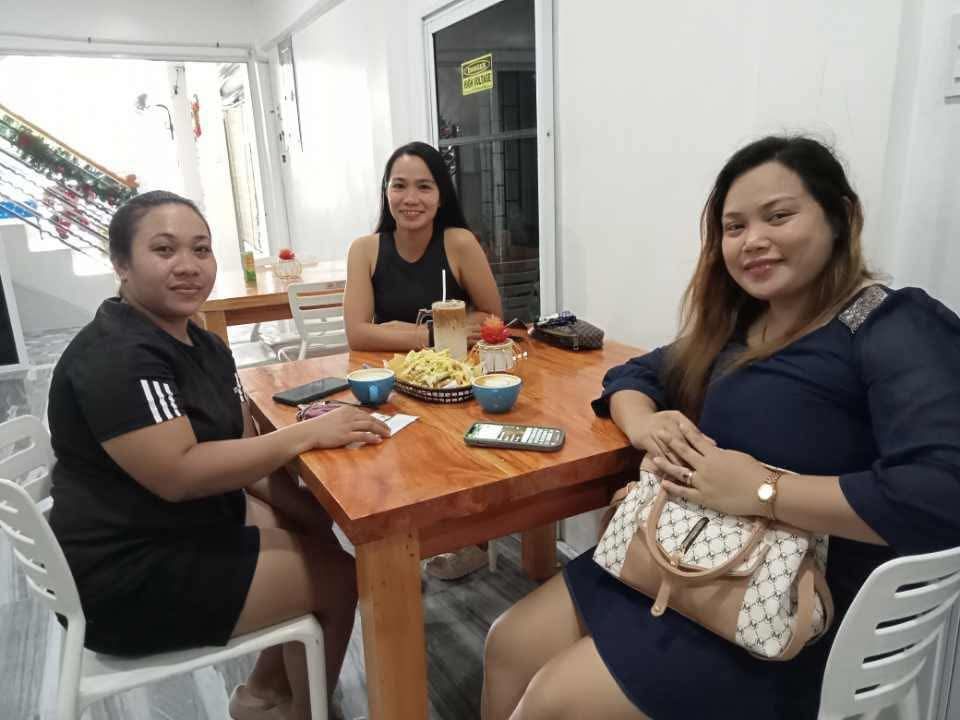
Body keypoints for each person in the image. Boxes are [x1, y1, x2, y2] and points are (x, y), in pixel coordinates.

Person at [481, 136, 960, 719]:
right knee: (506, 642)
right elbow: (633, 374)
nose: (753, 240)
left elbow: (940, 492)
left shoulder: (889, 326)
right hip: (680, 557)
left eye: (779, 216)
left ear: (842, 216)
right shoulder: (739, 327)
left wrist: (766, 492)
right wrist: (646, 424)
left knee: (554, 702)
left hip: (787, 607)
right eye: (734, 227)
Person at [48, 191, 391, 720]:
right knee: (342, 577)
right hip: (126, 570)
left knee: (313, 526)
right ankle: (302, 710)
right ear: (120, 263)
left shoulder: (203, 344)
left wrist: (309, 511)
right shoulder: (117, 355)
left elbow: (236, 445)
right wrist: (304, 437)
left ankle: (262, 695)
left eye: (201, 249)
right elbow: (181, 473)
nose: (188, 266)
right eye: (164, 250)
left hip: (176, 525)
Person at [344, 141, 503, 580]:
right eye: (399, 186)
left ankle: (471, 538)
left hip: (456, 384)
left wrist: (395, 331)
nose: (410, 198)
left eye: (424, 186)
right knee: (397, 472)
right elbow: (357, 333)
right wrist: (434, 333)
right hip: (396, 387)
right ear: (386, 191)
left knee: (461, 462)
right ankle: (400, 549)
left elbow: (491, 318)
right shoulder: (365, 250)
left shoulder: (458, 242)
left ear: (441, 194)